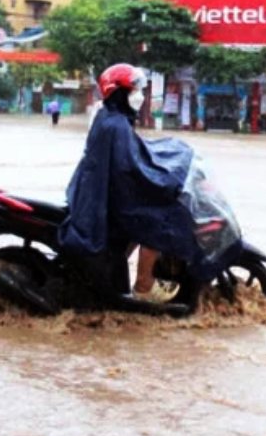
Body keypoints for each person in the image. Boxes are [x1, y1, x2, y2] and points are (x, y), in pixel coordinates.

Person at [60, 63, 195, 304]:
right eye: (134, 90)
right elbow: (133, 169)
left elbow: (135, 156)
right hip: (103, 201)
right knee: (161, 221)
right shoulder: (116, 125)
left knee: (143, 217)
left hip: (98, 195)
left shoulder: (110, 117)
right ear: (120, 93)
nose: (139, 95)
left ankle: (117, 271)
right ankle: (144, 286)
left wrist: (170, 155)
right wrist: (165, 182)